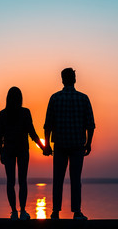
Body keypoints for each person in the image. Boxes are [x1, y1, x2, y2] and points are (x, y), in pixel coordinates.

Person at [43, 68, 95, 220]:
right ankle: (77, 212)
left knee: (57, 179)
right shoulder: (83, 98)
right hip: (78, 145)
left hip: (59, 145)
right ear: (74, 79)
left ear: (62, 80)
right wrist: (89, 143)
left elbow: (48, 125)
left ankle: (55, 212)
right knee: (76, 180)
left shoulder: (55, 98)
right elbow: (90, 124)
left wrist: (47, 144)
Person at [0, 86, 45, 220]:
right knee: (22, 181)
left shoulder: (3, 114)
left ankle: (14, 212)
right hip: (22, 150)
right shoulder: (25, 112)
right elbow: (33, 134)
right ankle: (22, 211)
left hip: (9, 151)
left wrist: (1, 152)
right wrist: (43, 147)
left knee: (10, 181)